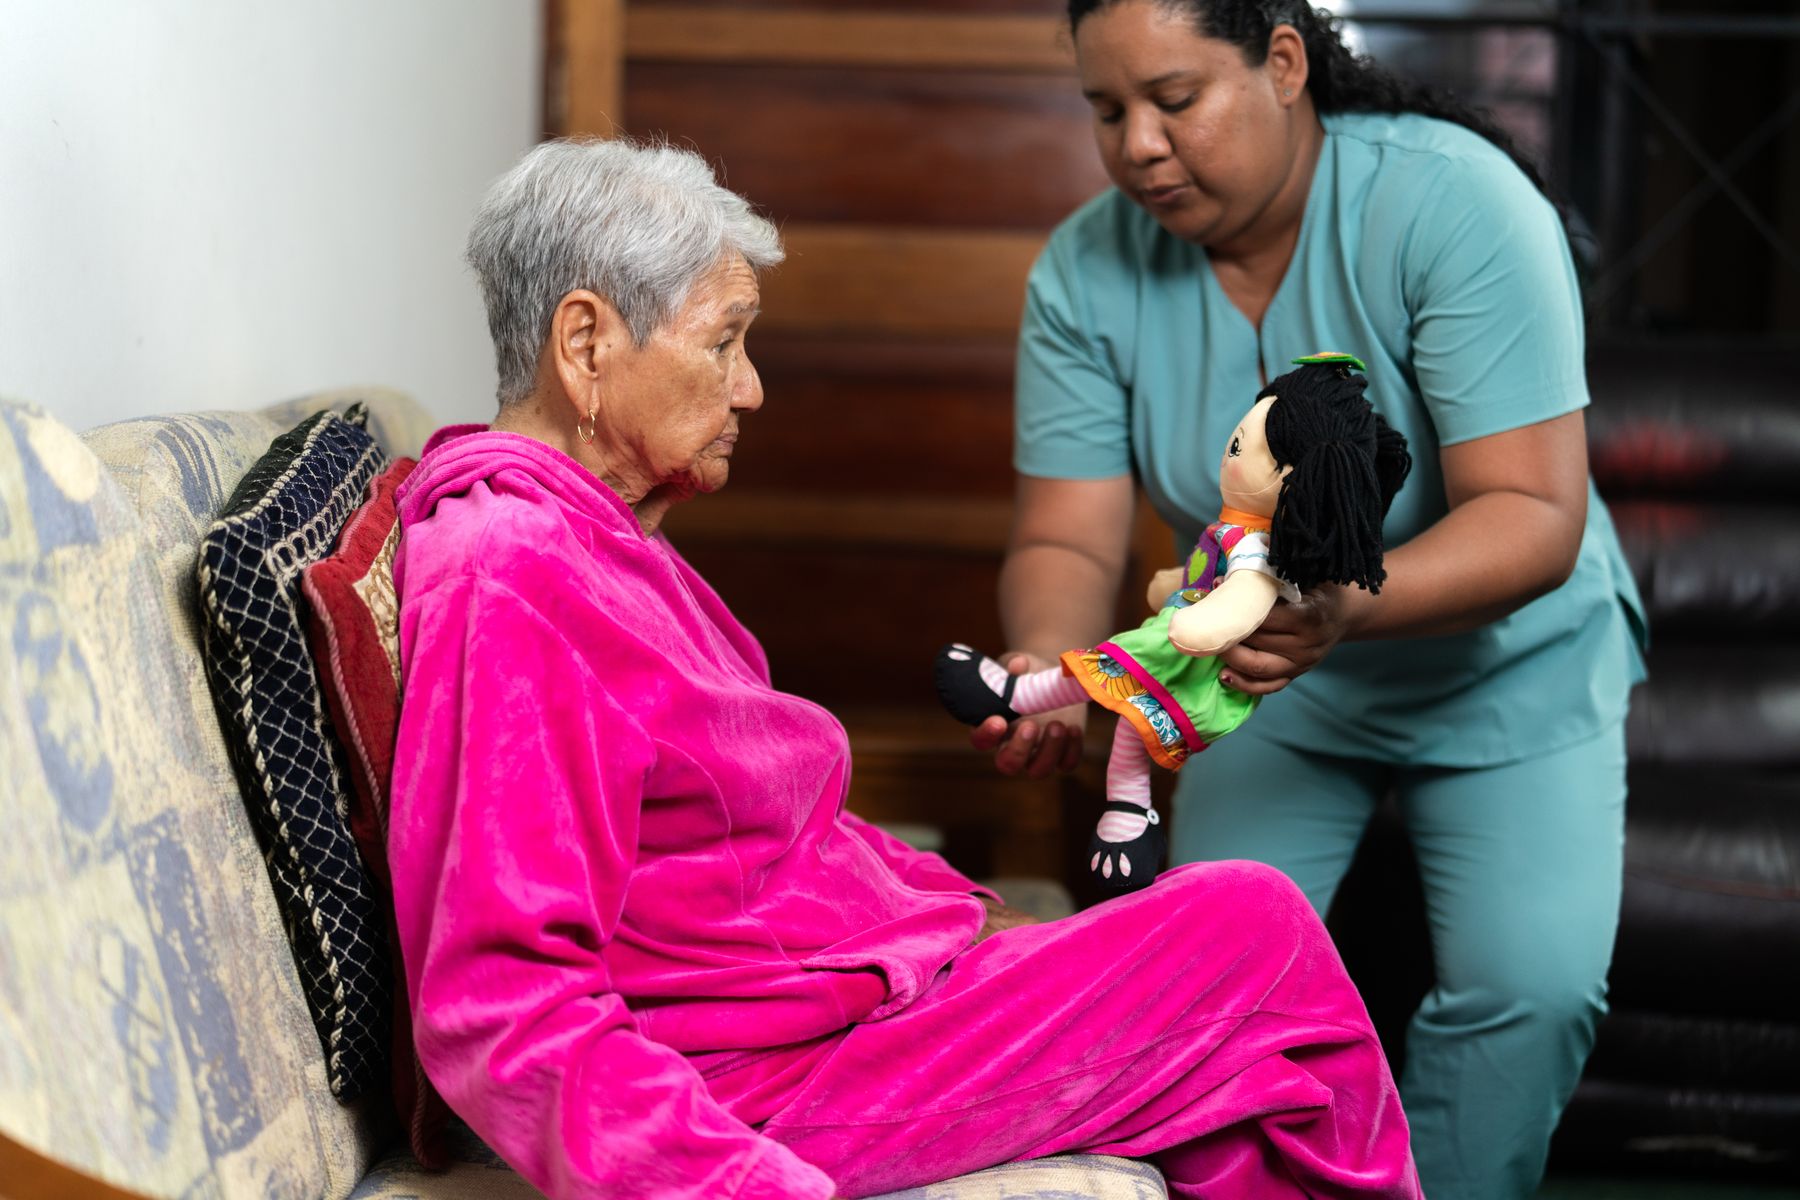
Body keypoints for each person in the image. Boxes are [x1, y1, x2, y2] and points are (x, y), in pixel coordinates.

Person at [386, 137, 1422, 1200]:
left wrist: (961, 915)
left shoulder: (604, 538)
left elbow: (757, 844)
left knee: (1235, 1085)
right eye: (725, 343)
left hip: (850, 1009)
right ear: (587, 343)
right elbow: (501, 1003)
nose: (750, 390)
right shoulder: (510, 571)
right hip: (760, 1084)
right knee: (1253, 933)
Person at [975, 3, 1648, 1198]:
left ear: (1284, 63)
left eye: (1174, 100)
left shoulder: (1458, 206)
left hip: (1508, 662)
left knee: (1529, 992)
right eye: (1105, 108)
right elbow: (1066, 529)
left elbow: (1531, 517)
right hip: (1261, 684)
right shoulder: (1088, 268)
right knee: (1204, 983)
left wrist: (1340, 613)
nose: (1136, 144)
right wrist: (1045, 664)